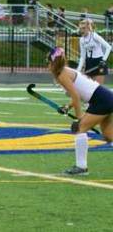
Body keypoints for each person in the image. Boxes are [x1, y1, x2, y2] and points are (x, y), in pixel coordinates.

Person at [46, 47, 113, 175]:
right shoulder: (64, 71)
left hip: (101, 100)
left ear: (54, 63)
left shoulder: (62, 75)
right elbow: (79, 95)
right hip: (104, 98)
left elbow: (76, 96)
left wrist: (79, 118)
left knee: (79, 129)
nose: (47, 66)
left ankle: (81, 167)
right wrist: (68, 107)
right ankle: (81, 167)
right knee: (109, 136)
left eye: (48, 62)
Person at [77, 19, 111, 85]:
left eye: (83, 28)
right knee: (88, 88)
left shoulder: (95, 36)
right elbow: (82, 57)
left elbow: (108, 47)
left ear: (88, 28)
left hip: (99, 62)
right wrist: (78, 69)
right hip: (89, 63)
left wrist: (103, 60)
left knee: (98, 88)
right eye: (80, 28)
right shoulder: (81, 40)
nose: (82, 31)